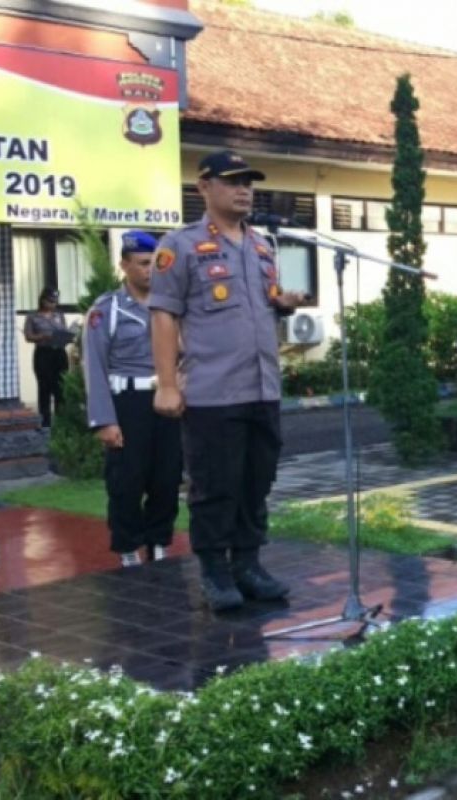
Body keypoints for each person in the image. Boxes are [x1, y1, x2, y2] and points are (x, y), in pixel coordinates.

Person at [150, 150, 306, 612]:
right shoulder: (178, 246)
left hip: (263, 387)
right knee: (215, 485)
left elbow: (262, 301)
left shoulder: (262, 247)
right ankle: (215, 570)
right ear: (203, 187)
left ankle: (248, 564)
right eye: (232, 180)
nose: (244, 190)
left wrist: (284, 302)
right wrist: (166, 383)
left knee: (256, 482)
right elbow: (163, 314)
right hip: (213, 392)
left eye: (249, 182)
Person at [82, 231, 182, 568]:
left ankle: (159, 544)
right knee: (127, 480)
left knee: (167, 478)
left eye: (154, 264)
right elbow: (93, 365)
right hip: (127, 402)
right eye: (141, 264)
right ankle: (128, 550)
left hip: (168, 402)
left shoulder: (171, 306)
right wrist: (103, 419)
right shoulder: (107, 309)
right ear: (124, 265)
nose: (149, 271)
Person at [22, 286, 70, 429]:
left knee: (60, 388)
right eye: (50, 301)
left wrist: (68, 337)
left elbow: (65, 332)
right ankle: (45, 421)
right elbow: (28, 336)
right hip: (43, 354)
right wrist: (43, 336)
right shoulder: (33, 316)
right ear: (42, 300)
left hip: (59, 354)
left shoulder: (59, 315)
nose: (53, 304)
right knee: (44, 388)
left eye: (55, 301)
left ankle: (61, 422)